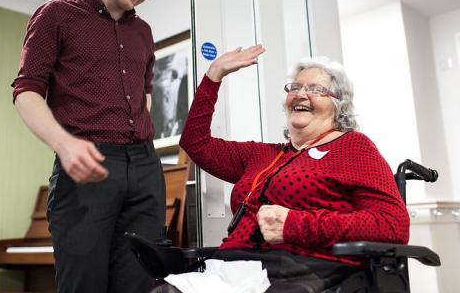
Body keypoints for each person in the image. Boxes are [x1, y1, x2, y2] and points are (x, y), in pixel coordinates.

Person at [161, 45, 410, 292]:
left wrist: (294, 224)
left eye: (315, 89)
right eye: (296, 87)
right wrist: (214, 75)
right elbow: (195, 143)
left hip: (302, 272)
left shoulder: (353, 146)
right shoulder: (264, 154)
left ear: (338, 105)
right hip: (232, 270)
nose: (301, 94)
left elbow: (392, 225)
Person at [12, 0, 173, 293]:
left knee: (139, 283)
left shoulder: (144, 33)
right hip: (88, 167)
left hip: (146, 169)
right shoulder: (56, 15)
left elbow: (143, 95)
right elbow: (26, 91)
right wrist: (66, 145)